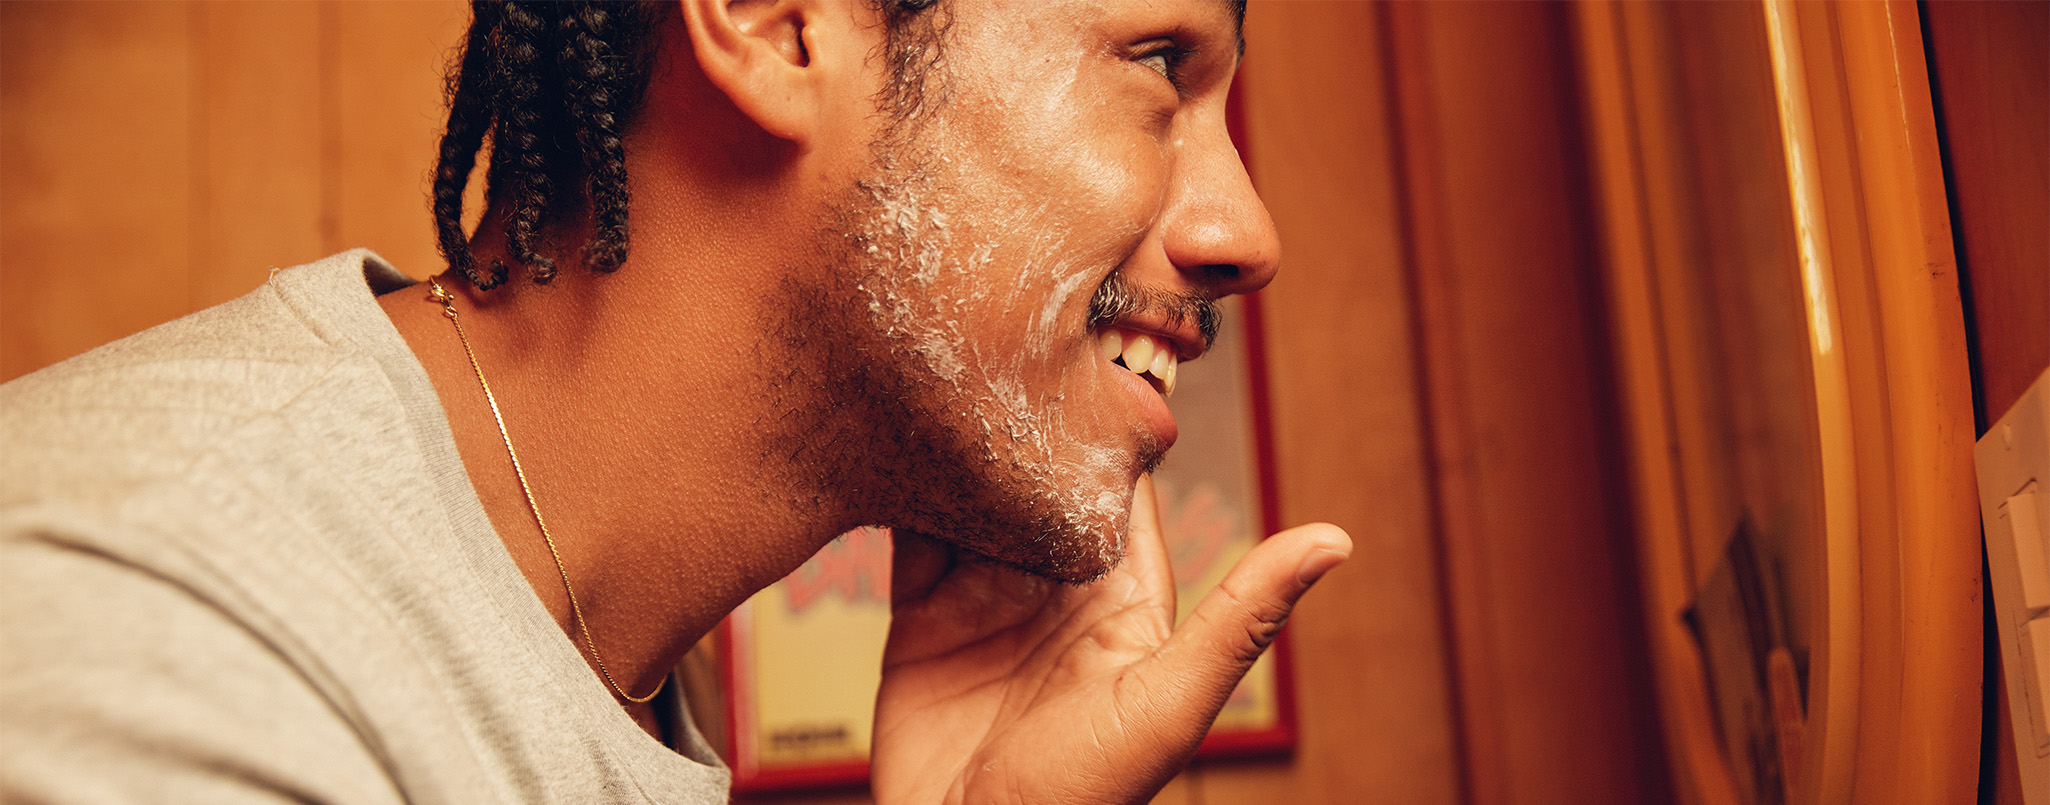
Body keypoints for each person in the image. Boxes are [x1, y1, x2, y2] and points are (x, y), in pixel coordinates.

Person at [0, 0, 1351, 801]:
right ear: (776, 24)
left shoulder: (621, 662)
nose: (1245, 229)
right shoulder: (146, 622)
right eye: (1155, 66)